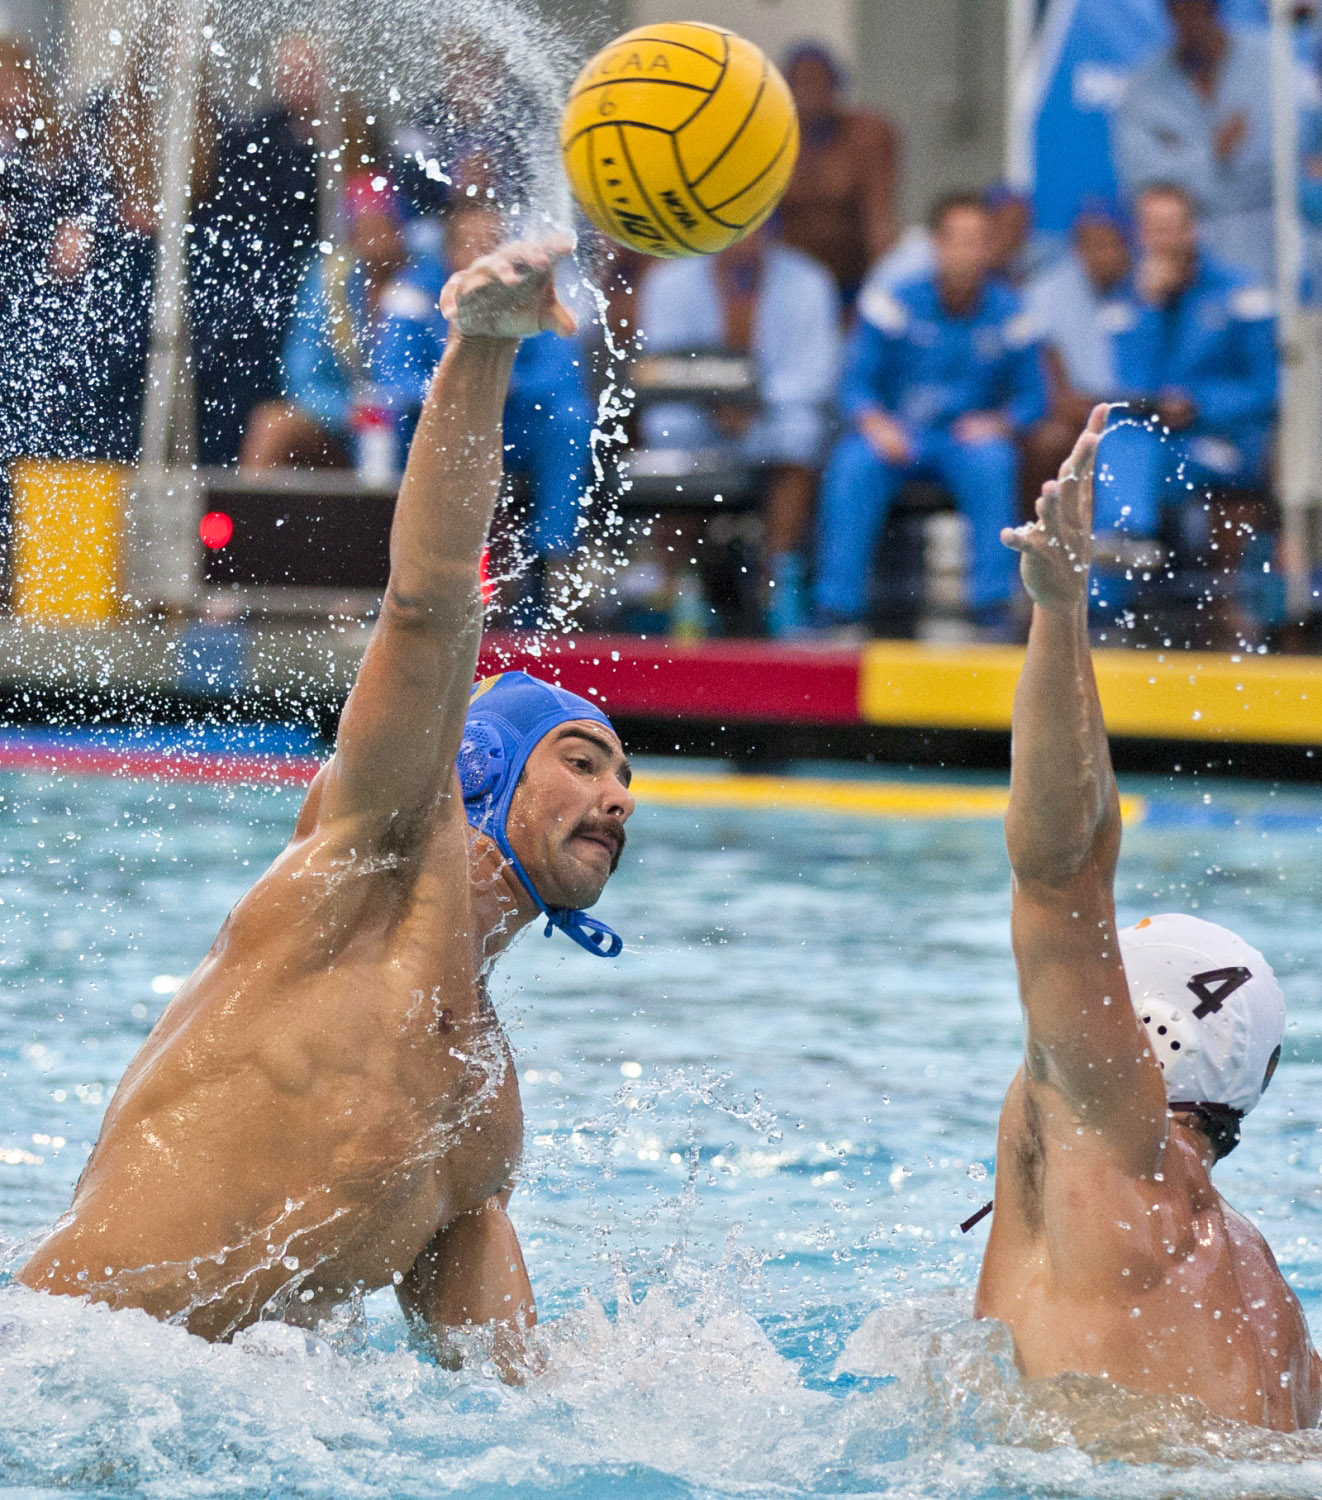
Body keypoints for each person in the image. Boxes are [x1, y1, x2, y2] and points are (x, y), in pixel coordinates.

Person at [18, 237, 634, 1375]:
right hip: (51, 1374)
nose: (616, 799)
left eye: (625, 779)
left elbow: (519, 1407)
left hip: (194, 1438)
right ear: (479, 776)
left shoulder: (481, 1111)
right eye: (583, 761)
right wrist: (482, 349)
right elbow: (427, 598)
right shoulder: (364, 868)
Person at [979, 405, 1320, 1431]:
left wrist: (1058, 611)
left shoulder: (1106, 1145)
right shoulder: (1274, 1311)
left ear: (1140, 1031)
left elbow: (1061, 876)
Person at [814, 192, 1045, 637]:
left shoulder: (1012, 312)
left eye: (977, 241)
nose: (965, 252)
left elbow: (1034, 398)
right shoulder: (892, 302)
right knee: (852, 464)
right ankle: (836, 607)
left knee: (995, 463)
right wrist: (874, 421)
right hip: (898, 435)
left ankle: (991, 606)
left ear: (989, 247)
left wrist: (999, 423)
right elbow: (854, 382)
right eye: (956, 240)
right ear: (936, 245)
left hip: (965, 441)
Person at [373, 201, 594, 614]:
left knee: (571, 418)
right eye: (470, 243)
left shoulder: (529, 288)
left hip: (513, 423)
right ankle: (398, 571)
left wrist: (507, 385)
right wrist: (458, 389)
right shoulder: (413, 292)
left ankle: (553, 559)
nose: (480, 252)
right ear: (449, 252)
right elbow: (392, 378)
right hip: (438, 428)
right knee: (382, 425)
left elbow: (562, 375)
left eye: (489, 243)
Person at [636, 224, 841, 635]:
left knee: (803, 434)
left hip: (770, 420)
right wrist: (715, 397)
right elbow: (657, 368)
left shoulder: (809, 281)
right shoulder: (668, 280)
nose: (741, 236)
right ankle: (680, 586)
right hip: (695, 418)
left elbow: (818, 374)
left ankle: (780, 581)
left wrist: (752, 398)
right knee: (665, 430)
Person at [1090, 183, 1275, 544]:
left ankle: (1124, 545)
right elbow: (1132, 386)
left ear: (1193, 229)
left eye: (1171, 227)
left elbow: (1268, 389)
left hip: (1224, 440)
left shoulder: (1241, 292)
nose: (1162, 239)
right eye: (1152, 228)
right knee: (1119, 436)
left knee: (1128, 457)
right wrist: (1149, 311)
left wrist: (1198, 405)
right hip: (1154, 440)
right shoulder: (1129, 301)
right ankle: (1121, 555)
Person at [191, 34, 324, 466]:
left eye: (307, 71)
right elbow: (244, 211)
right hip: (275, 275)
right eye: (290, 72)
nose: (298, 82)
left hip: (319, 272)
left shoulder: (352, 129)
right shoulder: (261, 136)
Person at [239, 175, 410, 471]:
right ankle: (252, 516)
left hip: (413, 432)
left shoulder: (430, 280)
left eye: (384, 225)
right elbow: (303, 377)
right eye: (364, 228)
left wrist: (394, 406)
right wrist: (352, 412)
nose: (375, 239)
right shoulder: (331, 282)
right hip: (347, 433)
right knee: (272, 425)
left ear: (401, 229)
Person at [1111, 0, 1274, 284]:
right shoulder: (1145, 87)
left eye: (1195, 6)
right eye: (1176, 8)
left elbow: (1288, 160)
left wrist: (1178, 159)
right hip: (1184, 265)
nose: (1186, 17)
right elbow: (1141, 177)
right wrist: (1211, 154)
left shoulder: (1269, 65)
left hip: (1270, 250)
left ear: (1214, 7)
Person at [1021, 201, 1132, 503]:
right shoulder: (1047, 292)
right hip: (1077, 411)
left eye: (1111, 243)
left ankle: (1128, 537)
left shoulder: (1147, 288)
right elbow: (1043, 359)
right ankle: (1041, 537)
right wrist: (1064, 399)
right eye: (1091, 245)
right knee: (1049, 442)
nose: (1102, 255)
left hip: (1135, 411)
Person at [776, 43, 899, 304]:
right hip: (790, 284)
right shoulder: (771, 140)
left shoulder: (866, 136)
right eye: (801, 82)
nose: (810, 92)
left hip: (855, 277)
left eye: (818, 81)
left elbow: (879, 220)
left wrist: (881, 290)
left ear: (836, 85)